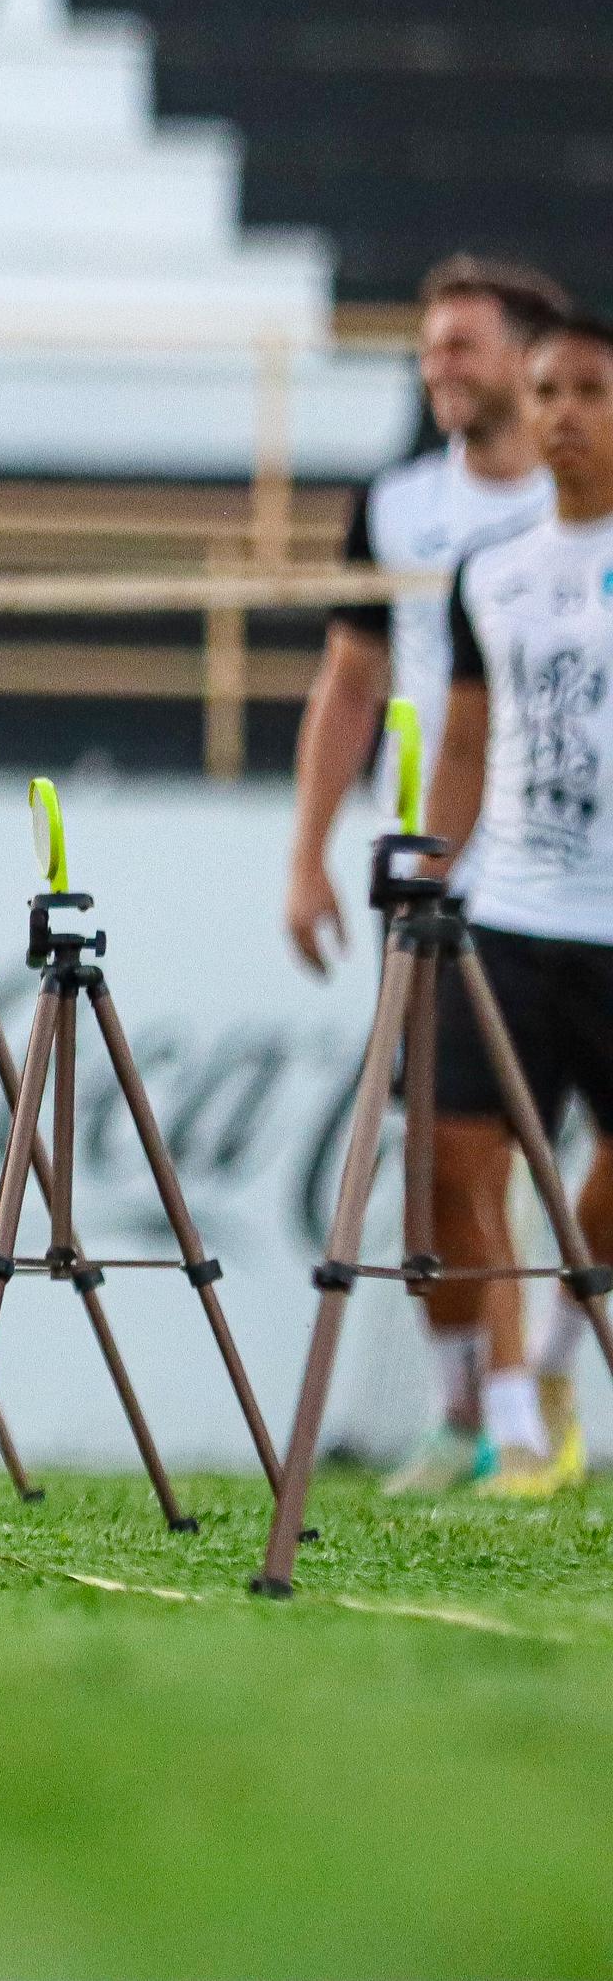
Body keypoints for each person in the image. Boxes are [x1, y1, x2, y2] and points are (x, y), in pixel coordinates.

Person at [281, 254, 564, 1493]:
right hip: (446, 871)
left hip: (576, 865)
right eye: (427, 348)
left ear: (530, 360)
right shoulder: (393, 506)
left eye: (463, 345)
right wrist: (307, 851)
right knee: (450, 1156)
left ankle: (542, 1362)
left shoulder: (582, 500)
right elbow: (347, 681)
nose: (438, 367)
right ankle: (487, 1415)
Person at [425, 307, 613, 1500]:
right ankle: (509, 1426)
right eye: (543, 390)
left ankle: (546, 1356)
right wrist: (430, 863)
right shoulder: (486, 571)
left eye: (588, 390)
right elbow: (462, 739)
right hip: (506, 907)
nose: (560, 414)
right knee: (459, 1160)